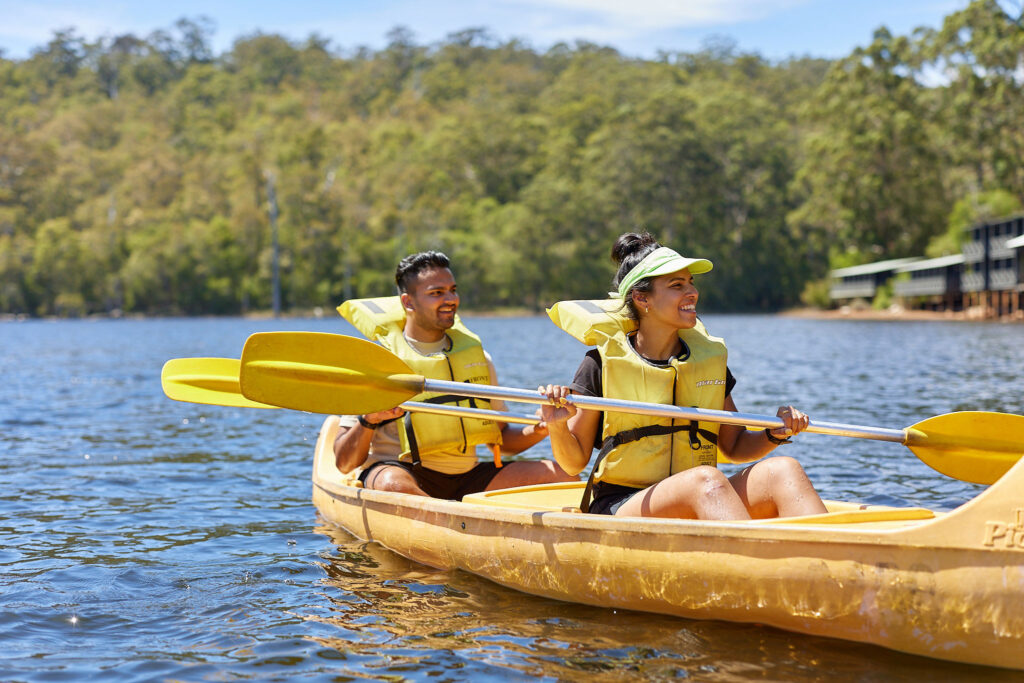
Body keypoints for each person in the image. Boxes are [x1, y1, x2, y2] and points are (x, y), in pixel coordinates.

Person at [539, 232, 827, 520]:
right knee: (705, 480)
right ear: (642, 298)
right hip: (622, 503)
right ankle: (752, 561)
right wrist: (557, 426)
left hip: (701, 492)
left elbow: (735, 445)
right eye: (677, 285)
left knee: (783, 469)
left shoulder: (706, 362)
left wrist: (774, 433)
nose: (692, 293)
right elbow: (573, 463)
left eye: (691, 283)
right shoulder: (600, 363)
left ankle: (830, 559)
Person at [333, 250, 575, 500]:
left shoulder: (479, 360)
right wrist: (368, 420)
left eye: (453, 290)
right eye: (437, 293)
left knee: (563, 475)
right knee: (394, 485)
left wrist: (542, 428)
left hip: (467, 476)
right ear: (408, 302)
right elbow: (343, 462)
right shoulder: (378, 363)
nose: (451, 299)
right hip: (399, 472)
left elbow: (500, 441)